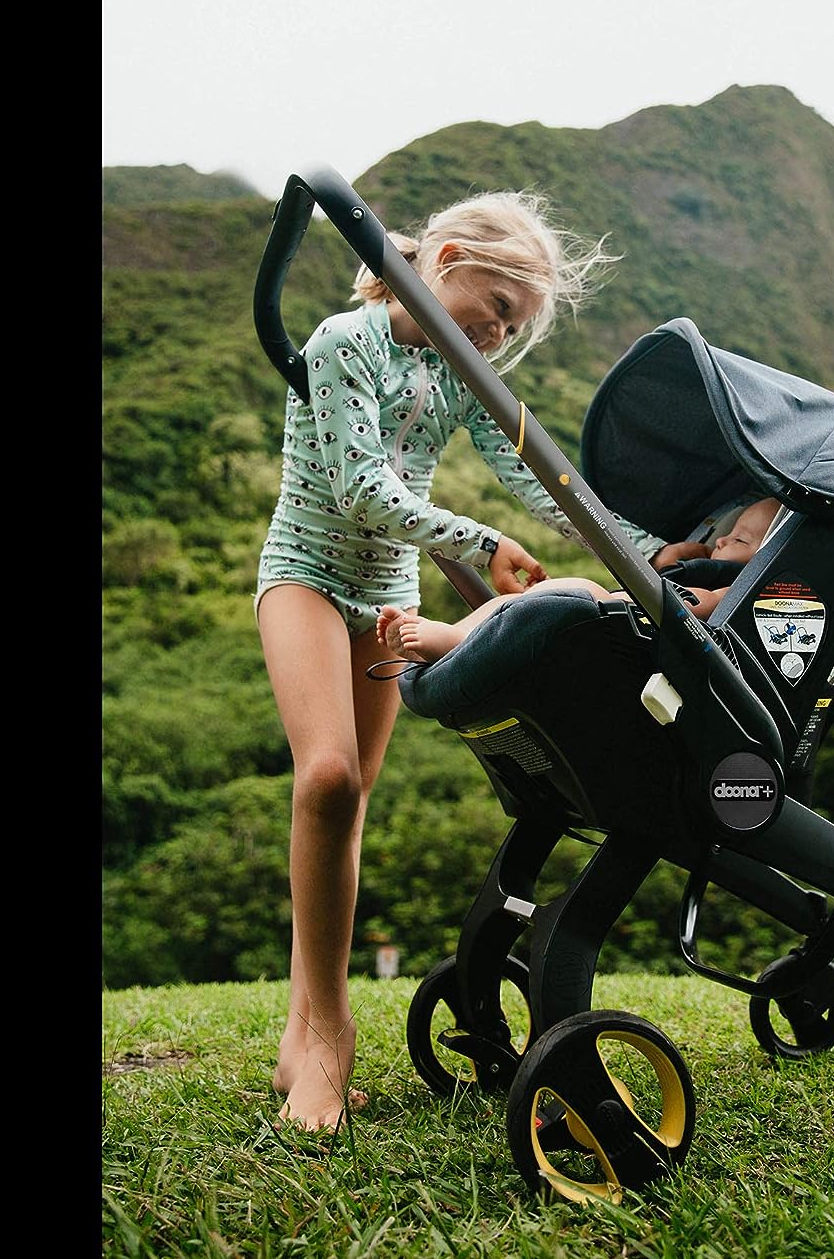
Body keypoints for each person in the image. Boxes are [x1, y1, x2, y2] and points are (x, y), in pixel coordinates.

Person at [255, 189, 686, 1131]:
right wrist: (479, 541)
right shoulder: (343, 342)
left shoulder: (458, 372)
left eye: (512, 328)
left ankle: (301, 1031)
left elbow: (536, 473)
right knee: (326, 780)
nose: (496, 336)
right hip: (306, 574)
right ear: (444, 261)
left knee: (348, 804)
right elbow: (360, 487)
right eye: (496, 310)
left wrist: (651, 553)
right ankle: (329, 1036)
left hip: (388, 593)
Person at [376, 497, 782, 663]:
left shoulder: (743, 590)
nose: (721, 538)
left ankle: (457, 640)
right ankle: (454, 636)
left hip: (621, 626)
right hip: (620, 616)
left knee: (570, 593)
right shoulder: (703, 568)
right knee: (530, 599)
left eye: (740, 538)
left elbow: (704, 606)